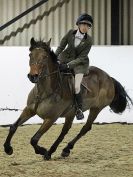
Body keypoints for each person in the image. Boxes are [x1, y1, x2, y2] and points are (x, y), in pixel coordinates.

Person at [55, 13, 93, 120]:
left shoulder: (89, 40)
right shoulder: (70, 33)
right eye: (83, 24)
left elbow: (82, 57)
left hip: (80, 64)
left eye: (88, 25)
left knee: (76, 86)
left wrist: (67, 66)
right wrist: (55, 57)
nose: (85, 27)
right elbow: (61, 46)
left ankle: (79, 109)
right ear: (78, 25)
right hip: (65, 57)